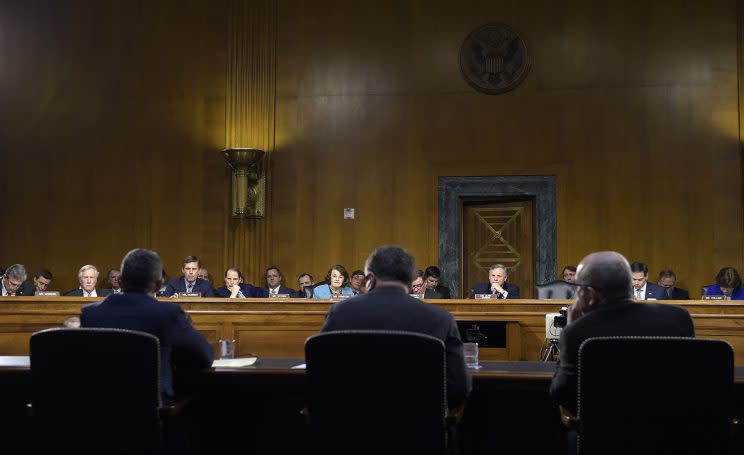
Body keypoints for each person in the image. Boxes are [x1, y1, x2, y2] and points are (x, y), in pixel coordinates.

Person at [320, 245, 470, 412]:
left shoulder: (339, 314)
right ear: (411, 279)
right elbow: (458, 388)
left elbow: (321, 378)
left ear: (369, 278)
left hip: (350, 426)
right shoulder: (441, 320)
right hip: (418, 428)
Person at [550, 251, 694, 417]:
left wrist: (570, 330)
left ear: (590, 294)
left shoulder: (578, 331)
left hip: (605, 433)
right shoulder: (679, 318)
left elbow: (562, 394)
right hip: (670, 430)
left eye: (578, 288)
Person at [81, 248, 214, 402]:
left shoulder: (90, 314)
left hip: (102, 407)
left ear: (120, 281)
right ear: (158, 285)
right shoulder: (168, 314)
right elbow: (204, 356)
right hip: (153, 411)